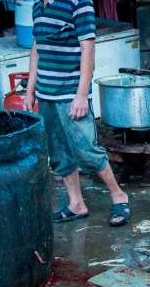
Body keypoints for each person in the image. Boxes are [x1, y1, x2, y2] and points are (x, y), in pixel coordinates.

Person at [25, 0, 130, 227]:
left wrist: (82, 94)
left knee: (87, 150)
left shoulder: (79, 3)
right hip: (46, 95)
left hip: (70, 94)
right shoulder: (37, 7)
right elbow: (36, 49)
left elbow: (87, 49)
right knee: (59, 153)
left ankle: (119, 195)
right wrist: (30, 90)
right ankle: (76, 204)